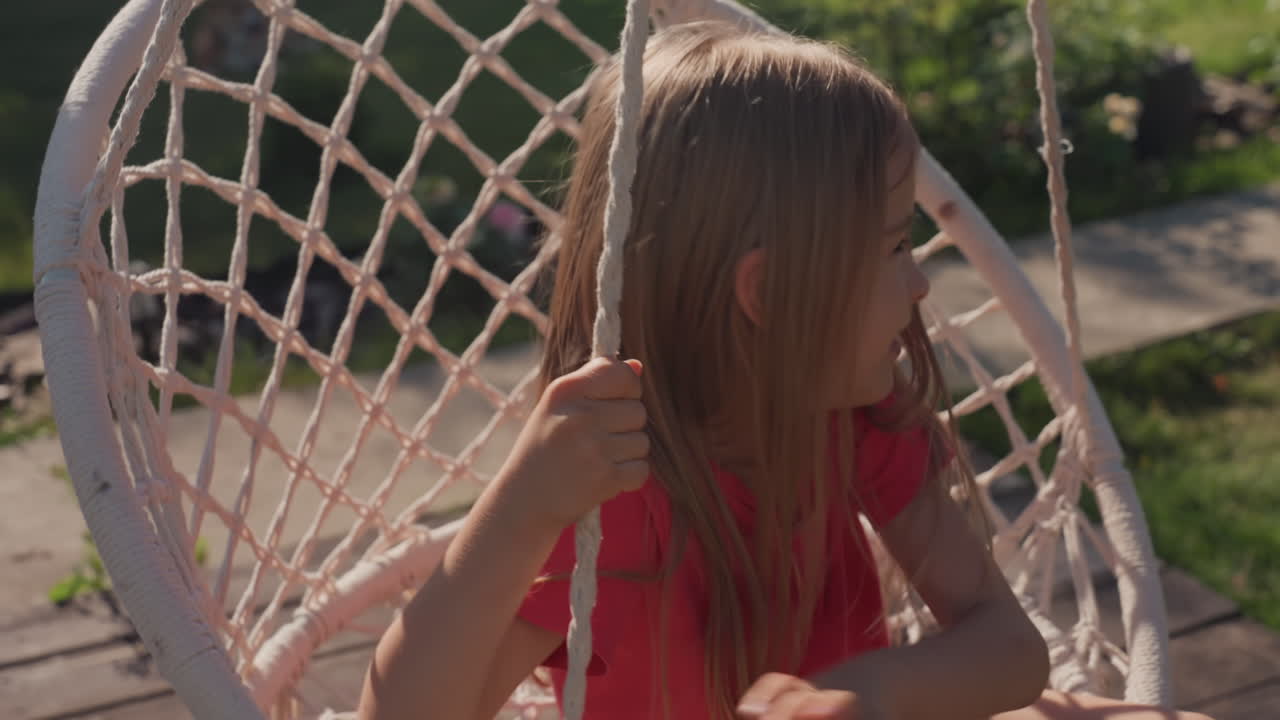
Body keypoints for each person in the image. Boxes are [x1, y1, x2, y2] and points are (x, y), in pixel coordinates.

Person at [357, 21, 1212, 720]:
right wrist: (520, 509)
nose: (920, 284)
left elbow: (1010, 647)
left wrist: (871, 690)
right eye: (893, 247)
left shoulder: (851, 421)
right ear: (767, 292)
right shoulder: (618, 494)